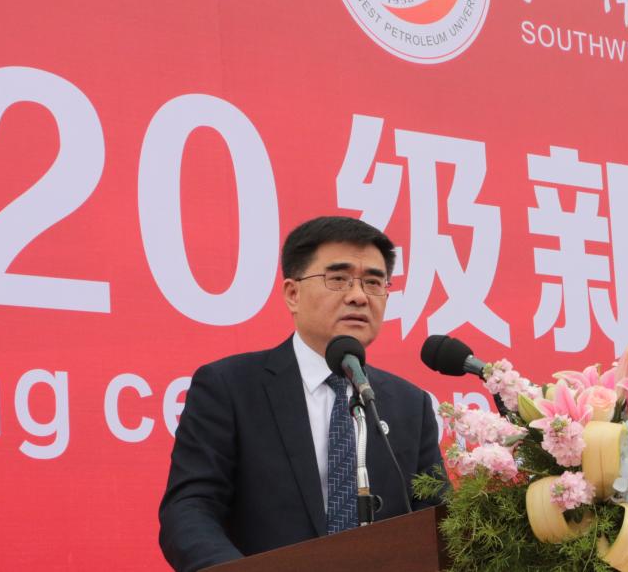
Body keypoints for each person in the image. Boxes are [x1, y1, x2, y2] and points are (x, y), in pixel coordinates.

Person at [158, 216, 445, 572]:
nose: (358, 296)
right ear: (292, 294)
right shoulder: (229, 387)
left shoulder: (410, 405)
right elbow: (189, 509)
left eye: (373, 282)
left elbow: (439, 522)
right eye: (338, 279)